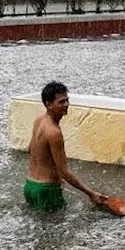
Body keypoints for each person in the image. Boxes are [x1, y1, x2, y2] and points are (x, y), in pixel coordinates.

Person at [24, 81, 108, 212]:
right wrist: (91, 193)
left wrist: (47, 168)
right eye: (61, 102)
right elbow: (64, 172)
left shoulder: (39, 120)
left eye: (67, 100)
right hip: (47, 190)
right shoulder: (54, 132)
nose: (66, 105)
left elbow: (30, 149)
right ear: (49, 105)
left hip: (30, 186)